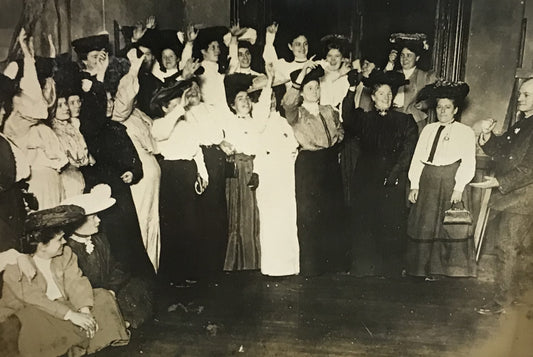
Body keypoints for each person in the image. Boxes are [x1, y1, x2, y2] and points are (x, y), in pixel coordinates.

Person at [73, 33, 154, 280]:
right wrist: (97, 81)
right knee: (113, 236)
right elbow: (92, 126)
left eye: (102, 57)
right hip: (98, 179)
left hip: (116, 180)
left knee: (128, 233)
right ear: (84, 62)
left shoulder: (102, 95)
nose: (100, 62)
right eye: (95, 58)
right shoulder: (82, 88)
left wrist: (132, 169)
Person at [0, 205, 130, 357]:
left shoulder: (65, 253)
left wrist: (84, 310)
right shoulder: (17, 266)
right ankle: (75, 344)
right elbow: (34, 299)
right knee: (33, 318)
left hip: (62, 305)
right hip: (33, 310)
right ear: (42, 246)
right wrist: (70, 315)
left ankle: (82, 341)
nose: (64, 242)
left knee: (102, 296)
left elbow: (76, 281)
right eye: (59, 239)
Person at [342, 70, 418, 278]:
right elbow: (347, 118)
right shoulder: (364, 119)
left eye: (389, 94)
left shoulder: (405, 121)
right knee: (365, 220)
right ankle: (366, 267)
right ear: (373, 97)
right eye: (381, 93)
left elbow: (408, 151)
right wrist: (350, 90)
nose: (385, 97)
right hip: (366, 177)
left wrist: (394, 174)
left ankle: (390, 269)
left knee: (390, 221)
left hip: (393, 178)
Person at [473, 78, 533, 314]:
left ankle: (503, 304)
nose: (520, 98)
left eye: (526, 95)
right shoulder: (523, 124)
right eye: (520, 94)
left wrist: (500, 181)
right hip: (513, 197)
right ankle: (514, 301)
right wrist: (487, 137)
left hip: (522, 199)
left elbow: (529, 168)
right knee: (515, 249)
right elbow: (504, 152)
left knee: (507, 248)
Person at [406, 81, 476, 279]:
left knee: (447, 226)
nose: (442, 111)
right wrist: (415, 184)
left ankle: (446, 270)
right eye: (439, 107)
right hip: (428, 180)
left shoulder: (465, 132)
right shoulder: (428, 130)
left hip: (450, 181)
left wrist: (459, 187)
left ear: (455, 110)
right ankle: (421, 268)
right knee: (425, 223)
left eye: (447, 107)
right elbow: (418, 158)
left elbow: (468, 161)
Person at [282, 60, 346, 276]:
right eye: (310, 88)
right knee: (309, 214)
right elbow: (287, 103)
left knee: (331, 211)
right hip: (309, 164)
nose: (314, 91)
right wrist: (301, 77)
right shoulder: (297, 113)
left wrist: (335, 142)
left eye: (317, 87)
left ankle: (332, 264)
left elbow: (340, 131)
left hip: (329, 163)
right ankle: (311, 265)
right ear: (302, 91)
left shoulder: (328, 110)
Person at [62, 184, 154, 328]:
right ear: (77, 223)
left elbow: (117, 266)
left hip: (109, 290)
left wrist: (112, 289)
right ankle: (115, 324)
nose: (98, 220)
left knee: (139, 288)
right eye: (93, 218)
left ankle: (122, 322)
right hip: (88, 296)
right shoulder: (68, 248)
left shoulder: (100, 239)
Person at [150, 78, 209, 284]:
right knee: (173, 224)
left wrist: (202, 173)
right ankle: (174, 275)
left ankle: (189, 271)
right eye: (174, 105)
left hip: (187, 171)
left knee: (190, 223)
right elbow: (161, 132)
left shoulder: (188, 123)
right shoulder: (159, 124)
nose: (180, 109)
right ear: (165, 107)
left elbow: (197, 150)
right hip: (171, 172)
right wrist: (178, 110)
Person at [3, 29, 68, 210]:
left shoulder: (40, 124)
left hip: (53, 183)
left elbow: (46, 99)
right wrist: (28, 59)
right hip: (37, 185)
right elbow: (36, 105)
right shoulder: (15, 119)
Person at [112, 49, 161, 272]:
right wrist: (133, 67)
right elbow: (124, 98)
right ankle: (145, 272)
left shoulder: (137, 113)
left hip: (151, 180)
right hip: (139, 181)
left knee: (152, 223)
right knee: (142, 223)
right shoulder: (118, 112)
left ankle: (153, 268)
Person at [222, 70, 273, 271]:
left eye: (246, 98)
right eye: (240, 99)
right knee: (234, 213)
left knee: (252, 213)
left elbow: (259, 150)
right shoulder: (228, 122)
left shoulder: (256, 123)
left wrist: (269, 82)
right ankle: (233, 262)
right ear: (233, 105)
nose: (244, 102)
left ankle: (251, 262)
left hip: (251, 169)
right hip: (235, 170)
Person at [386, 33, 436, 132]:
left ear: (417, 58)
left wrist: (424, 104)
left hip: (414, 120)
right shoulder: (394, 74)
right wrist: (390, 62)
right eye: (402, 55)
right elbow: (380, 85)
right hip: (392, 118)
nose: (405, 59)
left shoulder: (425, 76)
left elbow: (435, 97)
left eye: (409, 55)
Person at [318, 34, 351, 109]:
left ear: (342, 58)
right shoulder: (319, 72)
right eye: (330, 56)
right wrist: (340, 73)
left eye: (337, 56)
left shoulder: (346, 78)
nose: (333, 59)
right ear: (325, 57)